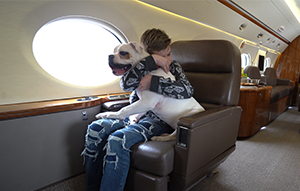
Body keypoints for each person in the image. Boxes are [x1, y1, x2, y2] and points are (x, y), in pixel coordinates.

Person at [82, 28, 194, 191]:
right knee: (95, 129)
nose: (166, 59)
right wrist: (149, 62)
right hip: (135, 113)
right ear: (146, 54)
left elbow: (187, 90)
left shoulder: (174, 67)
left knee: (118, 140)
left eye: (168, 53)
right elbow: (125, 84)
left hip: (158, 120)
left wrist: (152, 81)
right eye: (160, 56)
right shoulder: (139, 64)